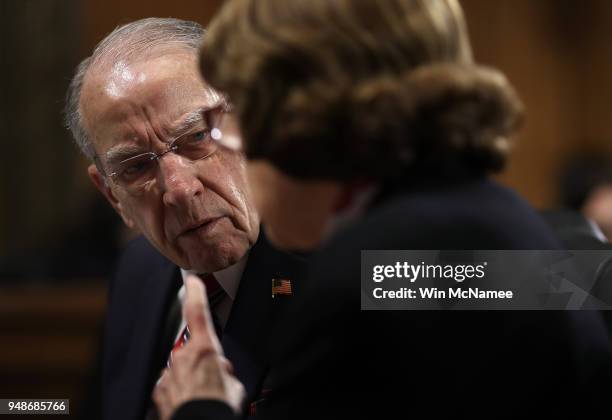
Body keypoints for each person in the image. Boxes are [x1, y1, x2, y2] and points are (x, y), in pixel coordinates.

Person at [154, 1, 612, 419]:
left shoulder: (372, 269)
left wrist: (201, 406)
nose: (229, 141)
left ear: (299, 117)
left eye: (231, 117)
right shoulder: (473, 219)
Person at [64, 17, 305, 420]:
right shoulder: (137, 272)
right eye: (136, 167)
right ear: (112, 195)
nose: (178, 189)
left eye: (196, 137)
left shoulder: (359, 266)